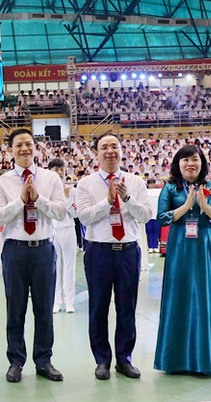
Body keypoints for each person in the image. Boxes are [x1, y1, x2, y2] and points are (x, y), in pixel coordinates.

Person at [0, 129, 66, 383]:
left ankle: (44, 360)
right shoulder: (2, 182)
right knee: (16, 309)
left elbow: (60, 212)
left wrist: (38, 198)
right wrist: (21, 201)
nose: (24, 148)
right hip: (15, 251)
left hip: (43, 249)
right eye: (19, 145)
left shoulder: (50, 179)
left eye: (29, 144)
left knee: (44, 308)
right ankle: (16, 361)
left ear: (36, 148)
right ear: (10, 149)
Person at [154, 145, 211, 375]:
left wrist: (205, 208)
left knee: (206, 300)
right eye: (185, 160)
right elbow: (162, 219)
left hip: (205, 248)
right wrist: (187, 206)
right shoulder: (170, 189)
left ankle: (206, 360)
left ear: (202, 163)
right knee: (177, 299)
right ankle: (175, 361)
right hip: (179, 247)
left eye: (195, 159)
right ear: (177, 164)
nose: (190, 164)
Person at [76, 133, 151, 380]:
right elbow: (85, 218)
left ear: (121, 151)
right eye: (104, 147)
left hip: (128, 252)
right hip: (98, 252)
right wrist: (107, 202)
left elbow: (146, 215)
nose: (110, 151)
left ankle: (124, 359)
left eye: (114, 146)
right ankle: (102, 360)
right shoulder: (86, 184)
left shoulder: (135, 182)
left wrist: (127, 198)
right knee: (98, 307)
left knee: (127, 307)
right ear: (96, 153)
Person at [47, 159, 77, 314]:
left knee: (69, 267)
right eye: (56, 169)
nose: (59, 172)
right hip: (52, 230)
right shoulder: (47, 190)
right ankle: (57, 301)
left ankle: (69, 301)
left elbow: (76, 214)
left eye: (61, 169)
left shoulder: (71, 191)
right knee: (55, 268)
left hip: (68, 229)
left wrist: (67, 198)